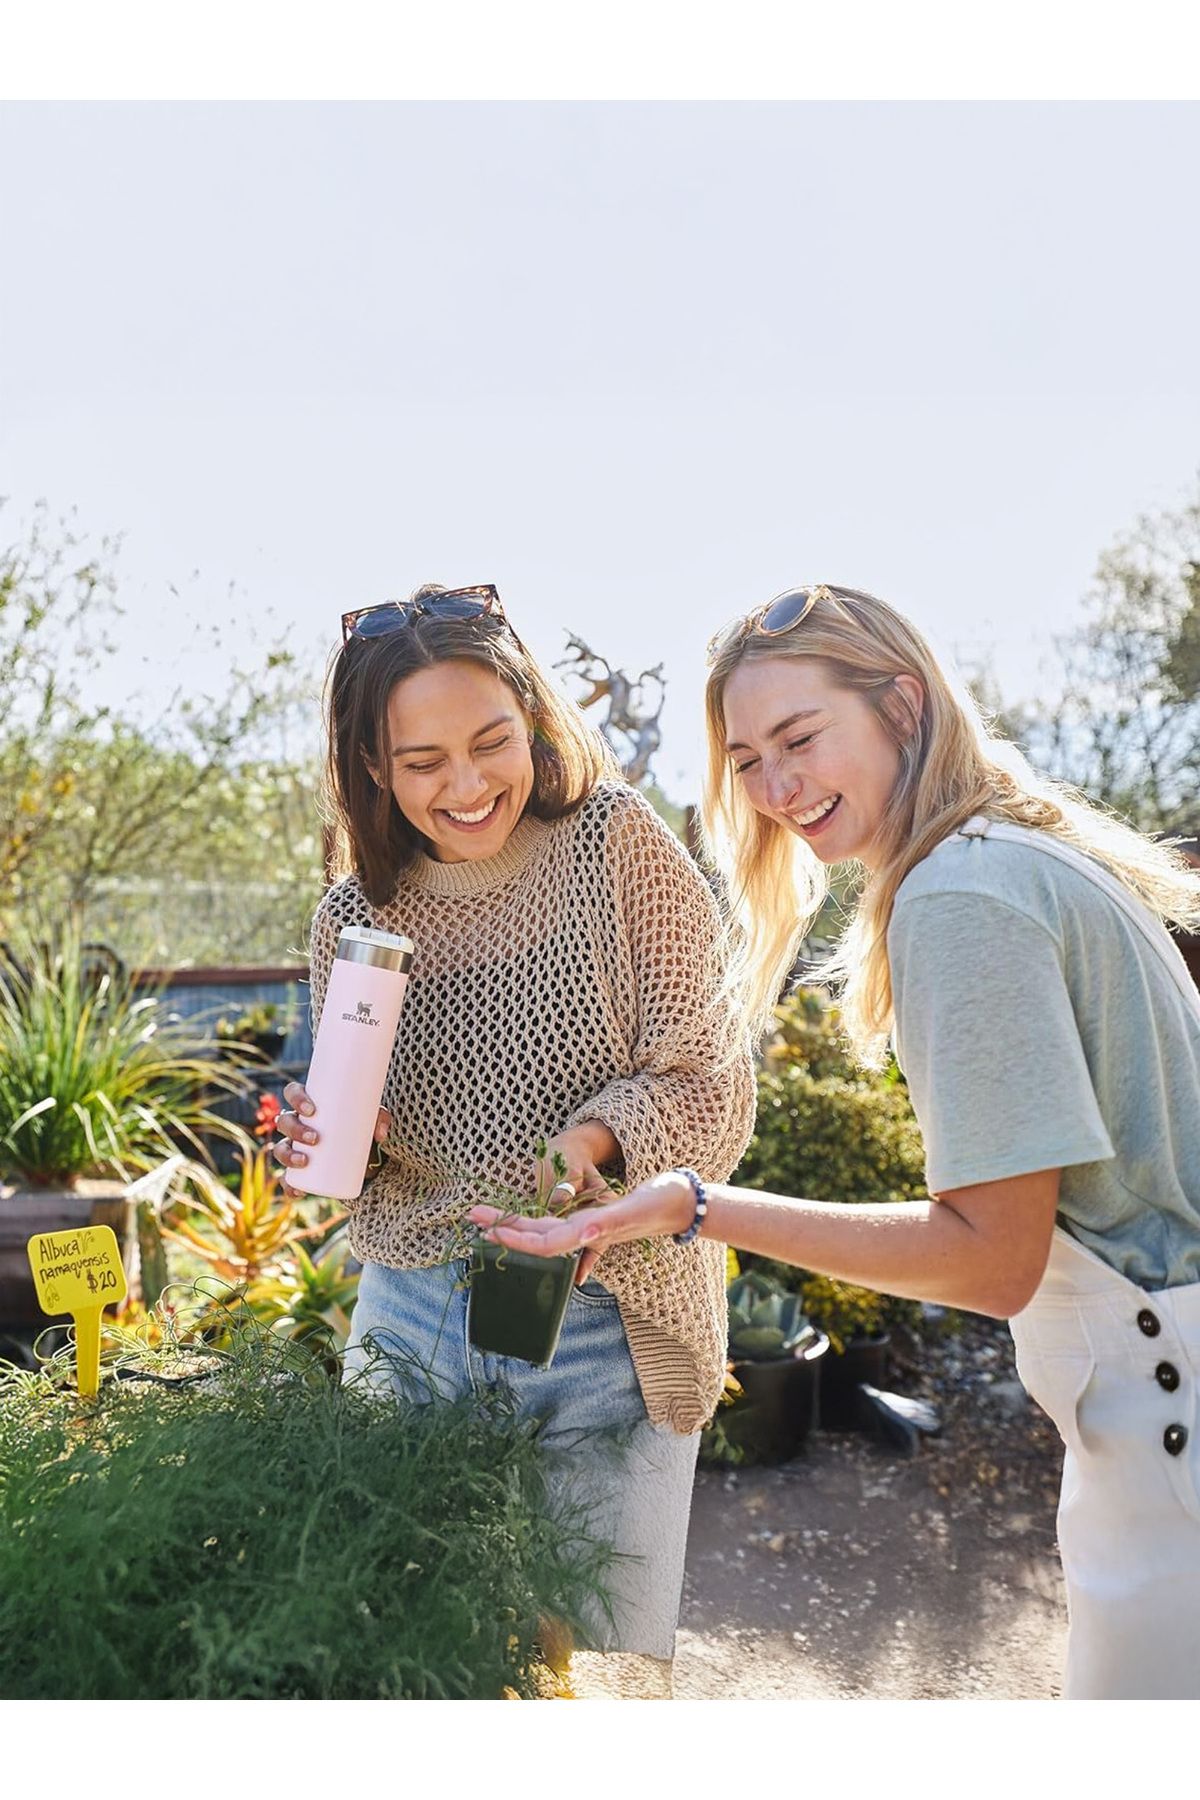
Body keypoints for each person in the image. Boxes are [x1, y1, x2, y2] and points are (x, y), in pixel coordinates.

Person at [473, 581, 1200, 1701]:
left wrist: (697, 1205)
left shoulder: (962, 898)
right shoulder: (1026, 852)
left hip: (1171, 1427)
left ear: (903, 706)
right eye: (749, 759)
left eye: (801, 738)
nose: (776, 789)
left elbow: (990, 1256)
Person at [272, 582, 755, 1687]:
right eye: (422, 761)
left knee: (580, 1654)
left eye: (490, 742)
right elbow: (357, 1154)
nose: (467, 783)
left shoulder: (614, 846)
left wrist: (589, 1147)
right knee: (417, 1650)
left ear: (534, 721)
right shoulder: (354, 917)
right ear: (374, 768)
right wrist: (337, 1134)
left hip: (595, 1307)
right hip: (411, 1315)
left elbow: (711, 1079)